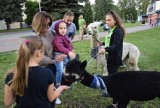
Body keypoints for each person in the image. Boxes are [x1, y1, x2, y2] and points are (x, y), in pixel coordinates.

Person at [4, 36, 70, 108]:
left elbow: (7, 102)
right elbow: (51, 98)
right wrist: (61, 88)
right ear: (39, 53)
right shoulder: (47, 73)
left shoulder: (12, 74)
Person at [32, 11, 67, 105]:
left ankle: (56, 91)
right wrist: (55, 61)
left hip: (56, 61)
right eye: (45, 25)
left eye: (49, 24)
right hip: (45, 66)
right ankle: (53, 93)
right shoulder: (35, 38)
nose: (48, 27)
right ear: (38, 24)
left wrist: (64, 55)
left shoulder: (52, 33)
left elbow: (64, 44)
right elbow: (40, 58)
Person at [98, 10, 126, 75]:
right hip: (109, 56)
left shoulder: (118, 31)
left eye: (109, 20)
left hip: (114, 58)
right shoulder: (111, 29)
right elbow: (111, 41)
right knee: (110, 73)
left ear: (115, 20)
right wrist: (103, 43)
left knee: (113, 76)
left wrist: (105, 49)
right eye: (106, 20)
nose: (107, 22)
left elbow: (115, 45)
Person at [52, 20, 76, 87]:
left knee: (67, 66)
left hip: (64, 53)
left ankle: (66, 82)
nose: (63, 30)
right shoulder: (57, 38)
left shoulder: (65, 36)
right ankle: (57, 84)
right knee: (59, 70)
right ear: (57, 29)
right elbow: (60, 47)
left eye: (64, 28)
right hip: (58, 54)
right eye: (61, 28)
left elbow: (69, 44)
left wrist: (70, 50)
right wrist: (68, 52)